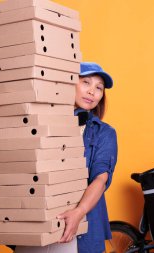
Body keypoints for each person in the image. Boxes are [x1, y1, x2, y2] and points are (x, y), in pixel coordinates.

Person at [15, 62, 117, 253]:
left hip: (84, 233)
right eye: (85, 82)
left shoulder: (104, 133)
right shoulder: (41, 124)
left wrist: (79, 212)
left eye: (99, 88)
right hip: (39, 226)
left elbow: (101, 178)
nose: (92, 92)